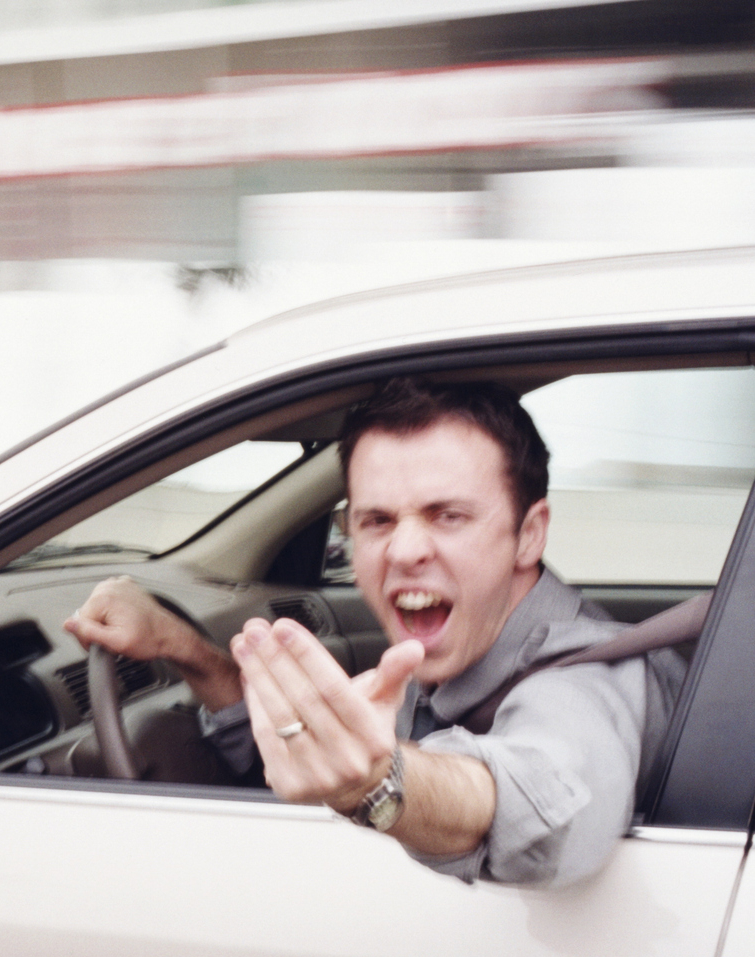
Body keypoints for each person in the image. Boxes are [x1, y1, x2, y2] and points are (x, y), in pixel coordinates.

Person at [64, 378, 686, 886]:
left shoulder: (587, 675)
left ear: (529, 534)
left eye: (449, 515)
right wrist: (182, 648)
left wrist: (381, 783)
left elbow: (549, 813)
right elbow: (313, 752)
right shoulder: (449, 648)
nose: (406, 549)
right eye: (378, 520)